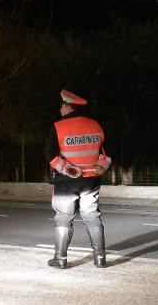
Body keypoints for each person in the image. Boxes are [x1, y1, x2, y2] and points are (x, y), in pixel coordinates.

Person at [44, 89, 112, 269]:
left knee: (64, 217)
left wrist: (67, 169)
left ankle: (60, 259)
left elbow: (50, 154)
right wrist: (100, 166)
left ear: (69, 107)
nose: (60, 108)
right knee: (92, 215)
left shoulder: (58, 127)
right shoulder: (96, 125)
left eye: (62, 105)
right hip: (91, 180)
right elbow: (106, 154)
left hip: (66, 182)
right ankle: (100, 259)